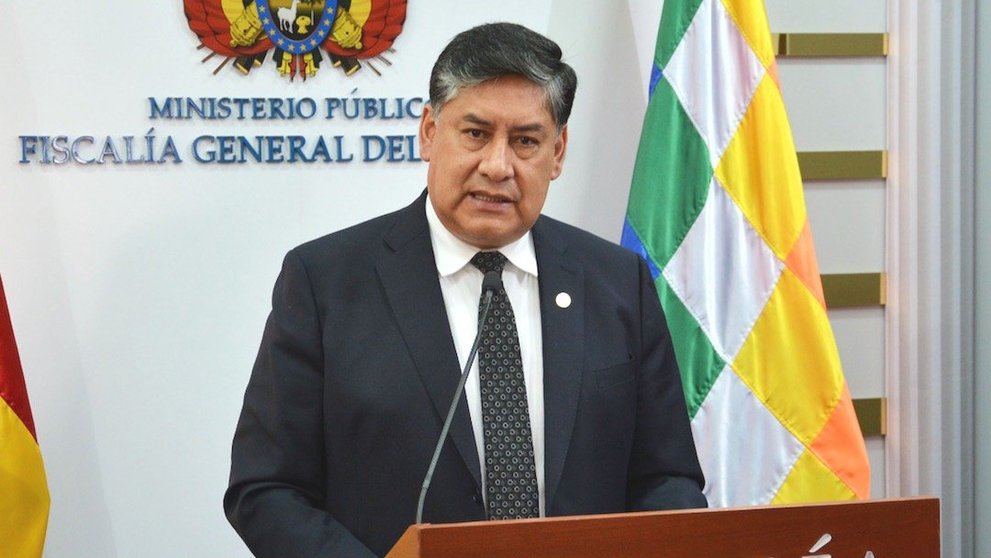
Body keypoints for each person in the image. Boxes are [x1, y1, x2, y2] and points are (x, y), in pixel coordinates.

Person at [224, 22, 706, 558]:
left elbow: (668, 480)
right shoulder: (327, 282)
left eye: (525, 141)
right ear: (430, 132)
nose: (497, 167)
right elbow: (266, 489)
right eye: (476, 134)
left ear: (558, 152)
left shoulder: (617, 283)